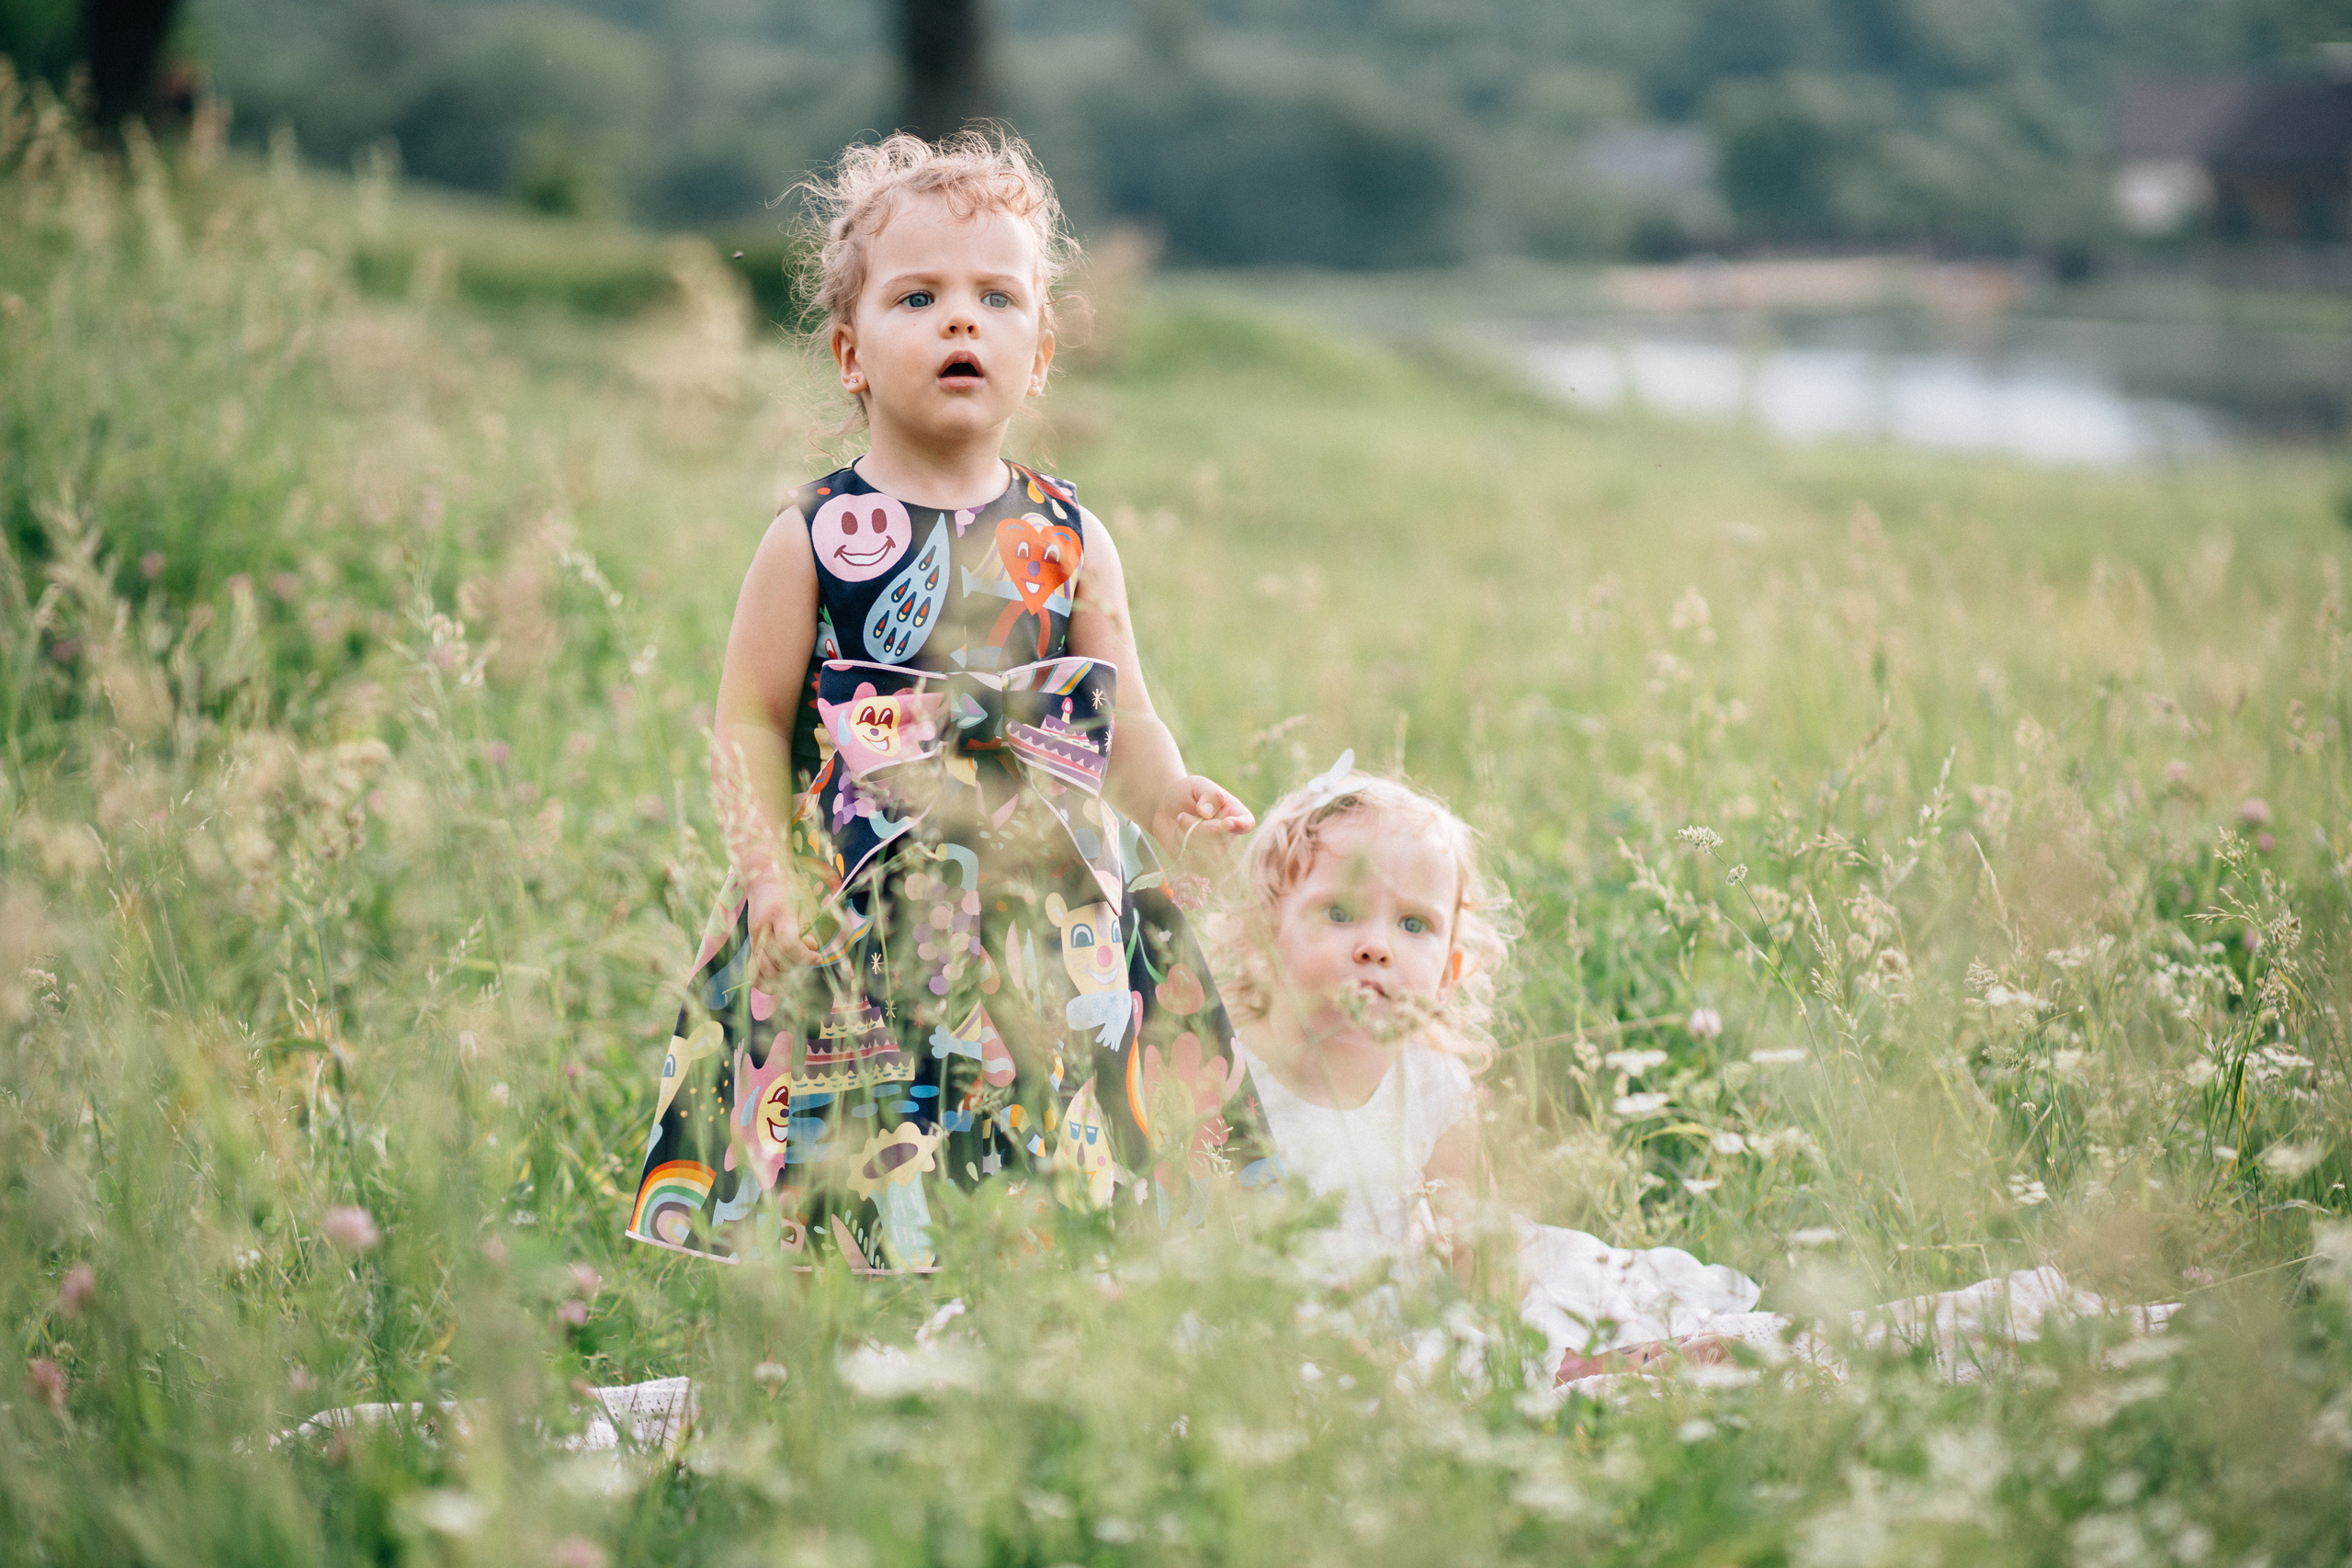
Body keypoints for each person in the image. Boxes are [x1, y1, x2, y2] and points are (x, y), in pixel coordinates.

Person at [626, 130, 1264, 1271]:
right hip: (862, 892)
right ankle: (856, 1316)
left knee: (1049, 1108)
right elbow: (749, 721)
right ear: (850, 353)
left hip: (1045, 895)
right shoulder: (813, 536)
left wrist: (1168, 798)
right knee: (865, 1113)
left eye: (996, 299)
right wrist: (770, 876)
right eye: (918, 297)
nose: (961, 321)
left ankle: (1035, 1301)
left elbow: (1113, 712)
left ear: (1042, 352)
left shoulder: (1069, 535)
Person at [1218, 761, 2172, 1384]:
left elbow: (1475, 1252)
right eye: (1341, 914)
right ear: (1269, 925)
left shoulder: (1429, 1085)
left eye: (1413, 925)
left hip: (1405, 1331)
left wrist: (1480, 1334)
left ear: (1454, 963)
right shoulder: (1232, 1070)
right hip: (1286, 1338)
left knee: (1607, 1359)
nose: (1375, 948)